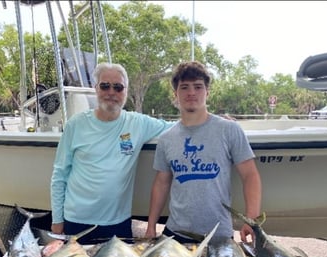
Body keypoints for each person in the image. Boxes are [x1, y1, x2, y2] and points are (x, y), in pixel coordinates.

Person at [50, 62, 173, 243]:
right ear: (96, 89)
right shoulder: (75, 124)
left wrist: (217, 122)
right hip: (76, 221)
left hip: (118, 223)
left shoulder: (138, 123)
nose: (111, 92)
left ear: (126, 91)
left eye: (118, 87)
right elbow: (59, 175)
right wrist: (57, 220)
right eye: (105, 86)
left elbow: (179, 127)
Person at [145, 61, 261, 243]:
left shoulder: (229, 130)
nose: (191, 93)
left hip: (218, 235)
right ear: (176, 94)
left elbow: (250, 176)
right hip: (175, 234)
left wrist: (251, 219)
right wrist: (151, 226)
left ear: (207, 92)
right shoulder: (166, 138)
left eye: (198, 87)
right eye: (184, 87)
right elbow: (161, 184)